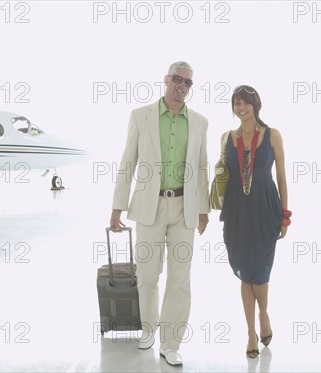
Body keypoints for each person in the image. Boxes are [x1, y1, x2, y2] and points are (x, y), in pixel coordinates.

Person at [109, 61, 210, 366]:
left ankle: (171, 342)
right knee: (148, 275)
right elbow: (128, 162)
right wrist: (117, 207)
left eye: (188, 82)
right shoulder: (141, 117)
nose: (182, 85)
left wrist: (204, 210)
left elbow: (202, 167)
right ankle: (149, 329)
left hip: (184, 208)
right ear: (166, 80)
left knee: (180, 279)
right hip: (148, 207)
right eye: (177, 79)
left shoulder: (200, 122)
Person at [219, 85, 290, 358]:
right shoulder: (226, 136)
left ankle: (264, 315)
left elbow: (282, 177)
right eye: (237, 103)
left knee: (260, 270)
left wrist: (285, 215)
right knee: (244, 270)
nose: (241, 108)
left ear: (256, 104)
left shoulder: (273, 135)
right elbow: (222, 176)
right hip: (237, 210)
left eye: (246, 103)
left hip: (265, 208)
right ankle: (250, 331)